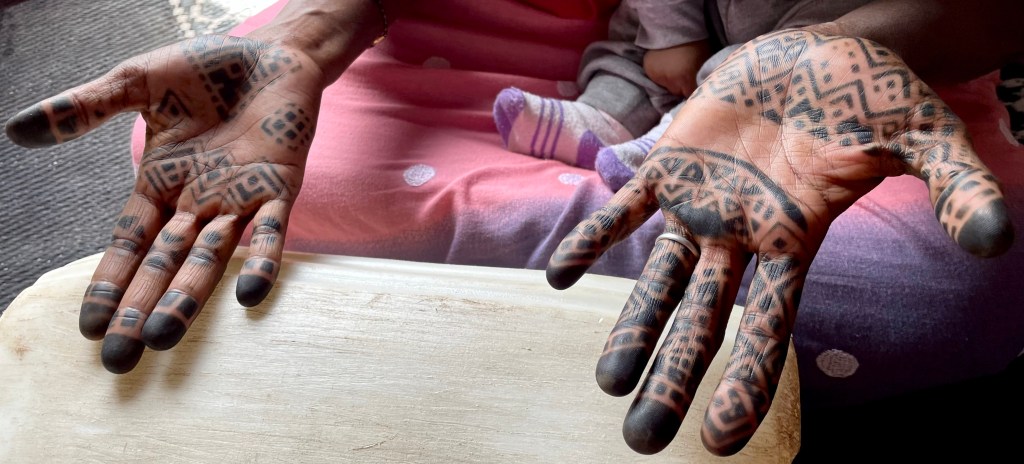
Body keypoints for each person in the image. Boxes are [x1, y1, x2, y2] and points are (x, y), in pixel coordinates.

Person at [5, 0, 1024, 457]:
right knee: (234, 142)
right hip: (536, 21)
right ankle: (627, 216)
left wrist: (851, 44)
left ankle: (606, 214)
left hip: (868, 59)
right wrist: (315, 38)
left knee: (955, 289)